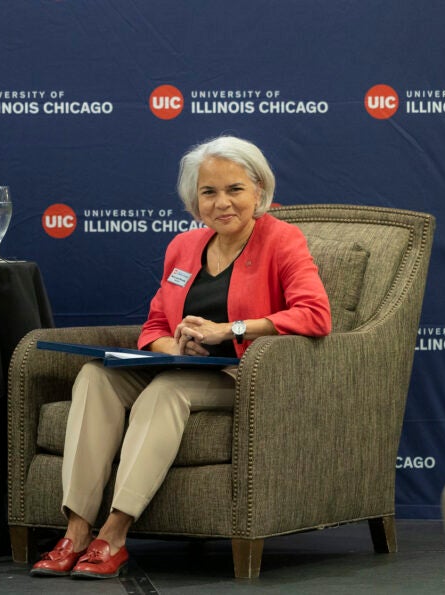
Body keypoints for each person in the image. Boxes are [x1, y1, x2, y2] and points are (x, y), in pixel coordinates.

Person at [30, 136, 332, 579]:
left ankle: (113, 534)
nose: (222, 203)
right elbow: (153, 326)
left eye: (235, 189)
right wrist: (175, 345)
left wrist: (229, 330)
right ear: (195, 200)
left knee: (165, 391)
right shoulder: (184, 248)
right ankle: (75, 531)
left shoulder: (281, 240)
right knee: (95, 376)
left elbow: (315, 314)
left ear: (259, 191)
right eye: (209, 192)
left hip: (241, 373)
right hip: (183, 364)